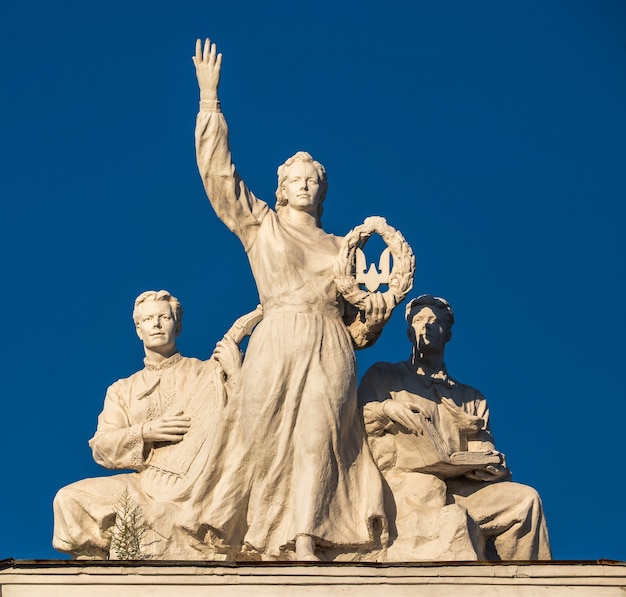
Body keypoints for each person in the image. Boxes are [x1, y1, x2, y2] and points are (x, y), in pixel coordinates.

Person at [189, 38, 394, 561]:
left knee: (318, 438)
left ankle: (306, 538)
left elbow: (358, 329)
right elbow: (220, 179)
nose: (303, 185)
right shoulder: (263, 225)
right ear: (280, 189)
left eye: (312, 181)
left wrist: (374, 318)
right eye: (294, 179)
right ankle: (252, 537)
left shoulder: (342, 250)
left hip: (329, 342)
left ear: (322, 193)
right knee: (260, 436)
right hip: (276, 335)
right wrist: (209, 102)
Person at [52, 290, 245, 559]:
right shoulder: (122, 389)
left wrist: (236, 374)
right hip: (144, 482)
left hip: (199, 480)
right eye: (148, 319)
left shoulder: (206, 372)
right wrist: (144, 432)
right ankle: (93, 572)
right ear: (138, 330)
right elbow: (102, 446)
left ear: (177, 326)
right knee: (68, 499)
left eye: (164, 317)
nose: (156, 324)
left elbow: (249, 419)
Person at [359, 295, 551, 560]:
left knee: (525, 501)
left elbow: (482, 451)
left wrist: (489, 465)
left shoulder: (470, 397)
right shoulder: (384, 376)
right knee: (446, 510)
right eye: (417, 321)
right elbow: (357, 424)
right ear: (408, 332)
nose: (424, 327)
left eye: (432, 321)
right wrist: (386, 408)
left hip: (461, 490)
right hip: (405, 485)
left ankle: (530, 587)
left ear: (447, 334)